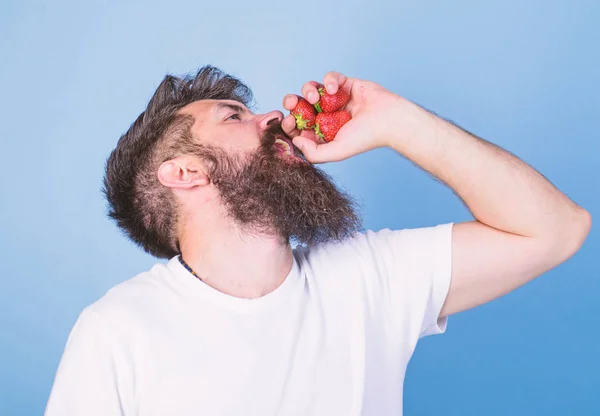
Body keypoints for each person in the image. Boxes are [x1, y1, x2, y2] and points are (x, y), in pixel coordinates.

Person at [45, 66, 591, 416]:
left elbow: (557, 230)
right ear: (185, 172)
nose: (275, 119)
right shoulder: (117, 331)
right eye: (234, 116)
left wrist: (396, 122)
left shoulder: (368, 277)